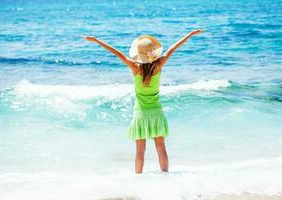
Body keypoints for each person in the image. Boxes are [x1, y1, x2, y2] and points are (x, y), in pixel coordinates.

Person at [84, 29, 204, 173]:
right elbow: (173, 49)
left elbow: (116, 53)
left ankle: (138, 180)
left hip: (140, 114)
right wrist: (190, 35)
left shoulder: (135, 68)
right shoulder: (158, 66)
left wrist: (96, 40)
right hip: (157, 112)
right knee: (161, 148)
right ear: (152, 53)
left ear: (138, 54)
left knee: (140, 151)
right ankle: (166, 176)